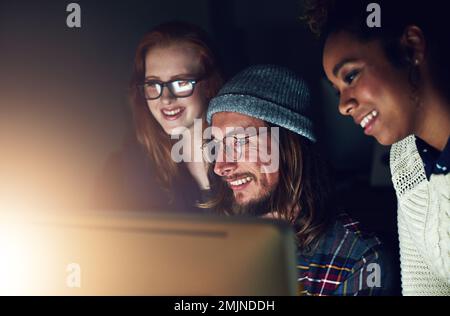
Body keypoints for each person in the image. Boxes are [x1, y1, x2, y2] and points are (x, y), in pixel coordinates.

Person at [201, 64, 395, 296]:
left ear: (290, 147)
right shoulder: (213, 243)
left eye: (241, 142)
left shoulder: (358, 261)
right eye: (217, 145)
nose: (221, 166)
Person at [302, 0, 450, 295]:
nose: (343, 106)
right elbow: (424, 288)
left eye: (351, 76)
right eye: (337, 90)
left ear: (411, 47)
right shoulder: (405, 160)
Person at [92, 21, 223, 213]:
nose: (166, 99)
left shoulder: (246, 153)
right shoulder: (128, 167)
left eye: (180, 83)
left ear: (209, 85)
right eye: (153, 84)